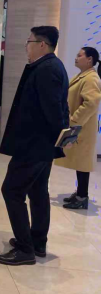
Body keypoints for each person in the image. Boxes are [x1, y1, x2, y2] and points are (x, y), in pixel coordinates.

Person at [0, 26, 69, 266]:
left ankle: (25, 249)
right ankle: (37, 241)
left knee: (12, 191)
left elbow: (53, 111)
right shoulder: (50, 66)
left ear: (42, 44)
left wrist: (57, 137)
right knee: (37, 192)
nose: (25, 46)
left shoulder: (46, 69)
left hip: (34, 145)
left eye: (29, 41)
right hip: (41, 145)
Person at [55, 47, 101, 209]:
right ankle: (81, 193)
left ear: (89, 59)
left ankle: (82, 197)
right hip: (81, 128)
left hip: (82, 128)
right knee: (81, 162)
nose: (76, 58)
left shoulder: (91, 78)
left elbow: (91, 103)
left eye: (79, 55)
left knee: (83, 163)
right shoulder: (84, 76)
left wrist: (74, 120)